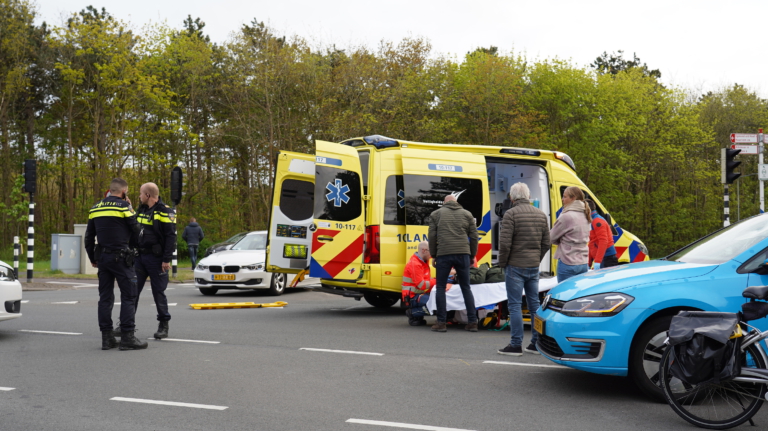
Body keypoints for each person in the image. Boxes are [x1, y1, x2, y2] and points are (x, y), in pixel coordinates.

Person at [84, 178, 148, 351]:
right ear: (123, 191)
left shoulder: (95, 208)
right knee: (129, 296)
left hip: (103, 259)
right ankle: (127, 337)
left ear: (110, 190)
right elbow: (137, 231)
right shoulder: (124, 207)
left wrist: (92, 258)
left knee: (105, 298)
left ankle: (107, 338)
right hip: (122, 258)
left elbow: (89, 237)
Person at [496, 182, 551, 356]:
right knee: (534, 304)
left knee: (514, 305)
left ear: (512, 197)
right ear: (528, 196)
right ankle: (535, 343)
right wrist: (537, 258)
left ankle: (515, 344)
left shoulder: (510, 214)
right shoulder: (541, 215)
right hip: (533, 266)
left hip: (515, 266)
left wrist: (503, 262)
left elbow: (504, 244)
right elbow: (546, 243)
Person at [427, 194, 479, 332]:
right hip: (463, 254)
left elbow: (432, 236)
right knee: (466, 287)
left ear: (444, 203)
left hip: (444, 254)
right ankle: (473, 322)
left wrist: (433, 255)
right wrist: (472, 254)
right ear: (456, 202)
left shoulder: (436, 214)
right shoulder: (467, 214)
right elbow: (474, 236)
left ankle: (441, 322)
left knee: (440, 287)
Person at [135, 182, 177, 340]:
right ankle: (126, 324)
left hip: (157, 259)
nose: (139, 197)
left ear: (147, 195)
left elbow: (171, 236)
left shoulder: (165, 211)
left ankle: (163, 325)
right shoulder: (142, 209)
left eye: (140, 194)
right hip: (140, 258)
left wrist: (166, 259)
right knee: (132, 292)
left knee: (158, 293)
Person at [551, 186, 591, 282]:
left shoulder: (566, 216)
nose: (562, 199)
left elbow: (551, 238)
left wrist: (562, 241)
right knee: (579, 296)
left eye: (565, 197)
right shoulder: (586, 214)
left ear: (573, 198)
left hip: (567, 261)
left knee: (564, 295)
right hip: (583, 262)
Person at [401, 241, 436, 326]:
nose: (432, 256)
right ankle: (412, 313)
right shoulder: (415, 264)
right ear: (424, 251)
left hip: (418, 294)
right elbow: (421, 285)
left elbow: (427, 280)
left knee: (437, 300)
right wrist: (437, 281)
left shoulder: (423, 262)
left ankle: (416, 314)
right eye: (431, 252)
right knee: (435, 303)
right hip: (412, 296)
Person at [586, 199, 618, 270]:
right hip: (604, 259)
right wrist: (589, 263)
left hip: (607, 259)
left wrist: (597, 261)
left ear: (586, 210)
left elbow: (603, 241)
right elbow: (592, 243)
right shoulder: (592, 221)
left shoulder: (597, 221)